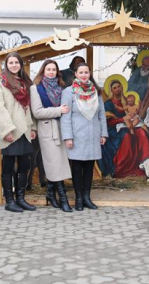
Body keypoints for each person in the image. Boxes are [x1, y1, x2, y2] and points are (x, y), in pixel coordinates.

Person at [0, 52, 37, 213]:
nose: (14, 65)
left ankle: (21, 198)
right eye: (11, 63)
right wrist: (6, 130)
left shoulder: (25, 82)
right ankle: (9, 200)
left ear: (21, 64)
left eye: (16, 62)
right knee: (9, 166)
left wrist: (33, 128)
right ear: (6, 65)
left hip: (24, 129)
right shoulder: (1, 83)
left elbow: (30, 106)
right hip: (11, 130)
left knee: (24, 165)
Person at [60, 62, 108, 211]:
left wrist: (103, 133)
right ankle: (78, 198)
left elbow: (101, 114)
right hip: (77, 135)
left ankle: (87, 197)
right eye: (80, 73)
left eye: (86, 72)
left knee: (89, 167)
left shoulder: (96, 91)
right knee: (77, 167)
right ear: (75, 74)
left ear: (89, 74)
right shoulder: (69, 92)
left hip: (93, 134)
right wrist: (68, 137)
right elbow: (65, 116)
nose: (83, 75)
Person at [30, 59, 73, 212]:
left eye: (54, 70)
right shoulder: (36, 89)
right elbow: (37, 112)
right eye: (48, 69)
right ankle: (63, 198)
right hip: (47, 129)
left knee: (58, 163)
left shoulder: (61, 88)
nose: (51, 72)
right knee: (54, 163)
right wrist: (58, 111)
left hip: (61, 129)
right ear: (43, 71)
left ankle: (50, 193)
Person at [102, 76, 149, 178]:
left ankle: (145, 163)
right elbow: (107, 122)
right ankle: (122, 169)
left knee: (142, 133)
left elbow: (135, 111)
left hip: (130, 125)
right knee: (126, 136)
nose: (117, 89)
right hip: (114, 129)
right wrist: (123, 119)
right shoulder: (108, 104)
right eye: (114, 87)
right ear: (111, 90)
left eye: (119, 86)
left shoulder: (127, 100)